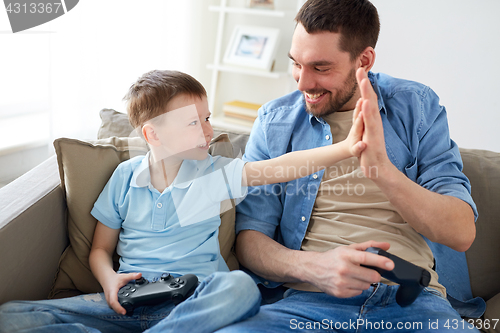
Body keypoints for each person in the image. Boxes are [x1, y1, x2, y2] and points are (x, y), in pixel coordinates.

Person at [0, 69, 367, 333]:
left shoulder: (212, 173)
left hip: (194, 301)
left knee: (240, 288)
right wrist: (110, 282)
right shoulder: (125, 177)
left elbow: (277, 168)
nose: (208, 130)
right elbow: (100, 249)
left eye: (206, 118)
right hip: (129, 302)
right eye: (193, 122)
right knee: (12, 315)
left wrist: (346, 148)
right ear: (152, 133)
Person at [216, 0, 482, 332]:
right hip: (306, 303)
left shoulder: (417, 107)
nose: (302, 83)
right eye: (296, 64)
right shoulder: (275, 122)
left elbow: (459, 233)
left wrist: (382, 172)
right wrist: (315, 268)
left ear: (364, 60)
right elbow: (250, 239)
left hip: (411, 302)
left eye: (321, 68)